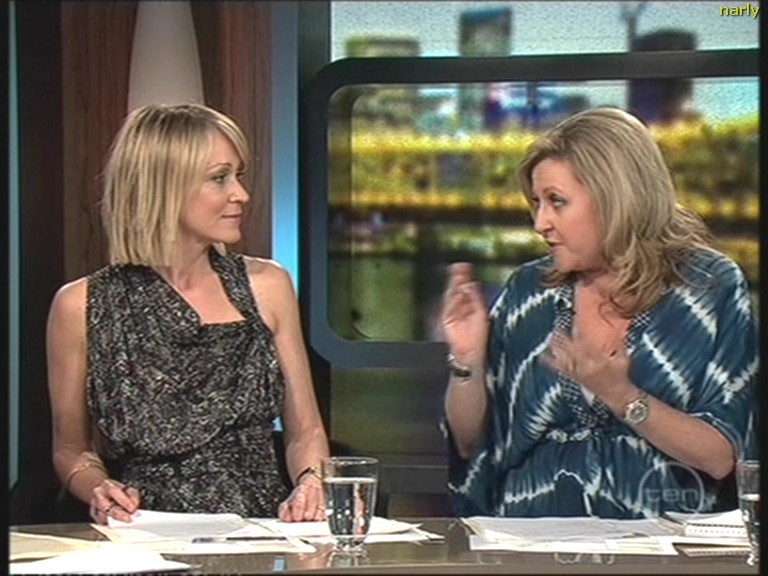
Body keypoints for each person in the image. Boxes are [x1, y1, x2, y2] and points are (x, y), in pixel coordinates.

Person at [440, 107, 758, 518]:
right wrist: (466, 360)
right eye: (536, 203)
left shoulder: (706, 288)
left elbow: (720, 457)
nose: (540, 223)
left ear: (614, 199)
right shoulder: (529, 291)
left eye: (557, 202)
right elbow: (470, 444)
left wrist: (621, 396)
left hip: (661, 536)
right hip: (527, 534)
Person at [46, 103, 330, 524]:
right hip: (145, 528)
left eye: (238, 175)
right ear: (165, 186)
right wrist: (98, 487)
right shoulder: (80, 305)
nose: (241, 194)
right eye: (219, 178)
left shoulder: (268, 286)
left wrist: (311, 482)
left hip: (260, 526)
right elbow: (71, 450)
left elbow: (305, 431)